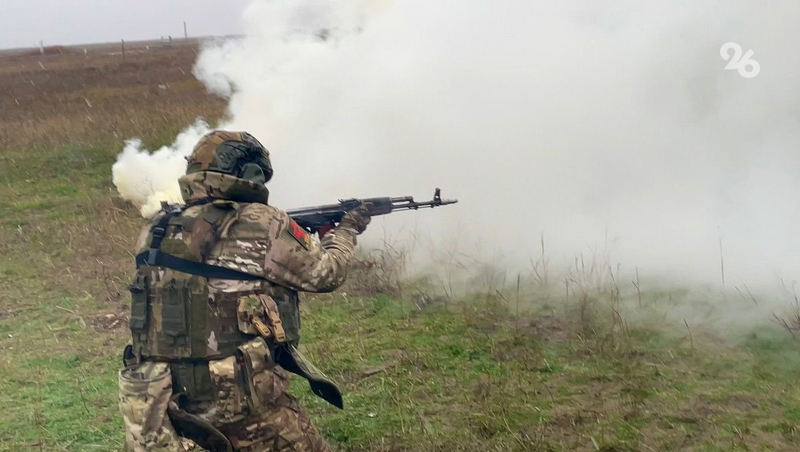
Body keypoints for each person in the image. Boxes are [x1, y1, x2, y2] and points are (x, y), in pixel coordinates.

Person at [118, 131, 370, 452]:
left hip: (158, 400)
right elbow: (327, 273)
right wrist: (346, 231)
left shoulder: (156, 227)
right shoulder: (265, 222)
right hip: (231, 396)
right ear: (250, 174)